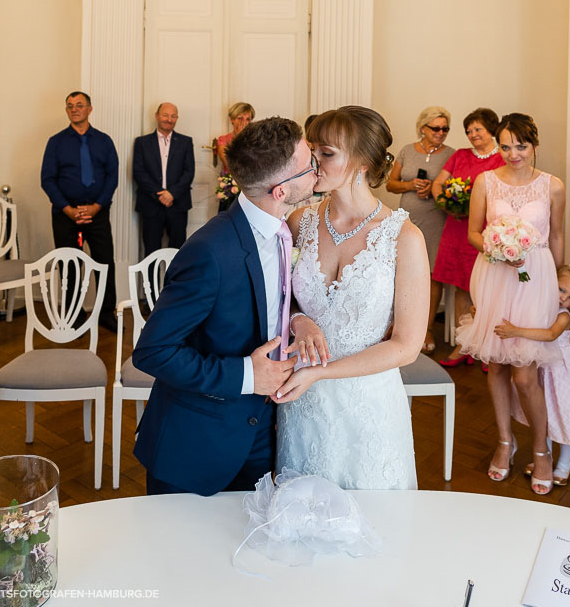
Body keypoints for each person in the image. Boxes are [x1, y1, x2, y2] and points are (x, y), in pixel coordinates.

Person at [131, 116, 321, 495]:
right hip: (198, 443)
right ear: (280, 191)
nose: (317, 171)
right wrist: (247, 376)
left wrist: (298, 320)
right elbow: (152, 352)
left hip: (264, 429)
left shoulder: (282, 229)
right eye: (309, 166)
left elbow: (272, 302)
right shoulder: (209, 252)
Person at [275, 106, 429, 490]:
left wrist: (322, 372)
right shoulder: (300, 222)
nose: (314, 163)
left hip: (368, 404)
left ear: (362, 163)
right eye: (313, 152)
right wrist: (299, 319)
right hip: (303, 401)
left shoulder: (403, 238)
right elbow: (277, 300)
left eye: (326, 154)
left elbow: (406, 347)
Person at [456, 113, 564, 495]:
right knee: (497, 367)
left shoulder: (553, 186)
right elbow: (473, 233)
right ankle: (505, 441)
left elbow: (556, 239)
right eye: (505, 146)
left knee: (525, 374)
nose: (513, 153)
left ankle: (542, 449)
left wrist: (560, 292)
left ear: (534, 144)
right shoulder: (485, 181)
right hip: (495, 274)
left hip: (536, 278)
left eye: (521, 145)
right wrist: (498, 248)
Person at [41, 91, 119, 332]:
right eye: (70, 106)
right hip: (65, 216)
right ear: (66, 111)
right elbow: (48, 179)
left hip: (97, 214)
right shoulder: (56, 142)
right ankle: (72, 315)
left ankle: (107, 313)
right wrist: (68, 209)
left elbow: (112, 177)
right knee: (69, 265)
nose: (74, 109)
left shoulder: (104, 141)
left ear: (89, 109)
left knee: (105, 262)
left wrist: (96, 207)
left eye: (79, 105)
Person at [432, 108, 502, 366]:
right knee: (462, 285)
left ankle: (487, 347)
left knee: (488, 288)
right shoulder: (460, 156)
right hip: (457, 227)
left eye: (478, 130)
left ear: (491, 130)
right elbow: (439, 183)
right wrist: (446, 204)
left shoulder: (502, 159)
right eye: (469, 131)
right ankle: (464, 345)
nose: (472, 135)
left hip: (486, 230)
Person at [499, 263, 570, 487]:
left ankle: (564, 464)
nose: (565, 299)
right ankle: (544, 456)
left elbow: (550, 334)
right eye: (562, 290)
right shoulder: (541, 307)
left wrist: (515, 331)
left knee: (564, 416)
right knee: (545, 415)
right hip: (544, 370)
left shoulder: (564, 316)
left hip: (561, 374)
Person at [386, 106, 454, 354]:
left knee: (433, 273)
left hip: (437, 220)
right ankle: (399, 325)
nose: (441, 133)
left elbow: (456, 189)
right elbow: (390, 185)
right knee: (401, 269)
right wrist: (410, 185)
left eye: (445, 128)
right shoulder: (406, 150)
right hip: (408, 219)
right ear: (422, 128)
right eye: (436, 128)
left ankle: (427, 327)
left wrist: (437, 191)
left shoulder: (451, 155)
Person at [133, 102, 195, 256]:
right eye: (166, 115)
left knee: (178, 251)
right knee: (151, 251)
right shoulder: (142, 142)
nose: (169, 119)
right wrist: (160, 193)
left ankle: (175, 281)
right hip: (151, 204)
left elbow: (189, 172)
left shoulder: (186, 142)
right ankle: (150, 281)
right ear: (157, 116)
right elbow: (139, 172)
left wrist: (172, 194)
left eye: (173, 116)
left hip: (178, 203)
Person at [215, 102, 255, 212]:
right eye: (240, 118)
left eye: (248, 119)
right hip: (230, 189)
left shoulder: (255, 141)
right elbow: (230, 164)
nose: (244, 123)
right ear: (232, 120)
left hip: (250, 188)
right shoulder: (223, 140)